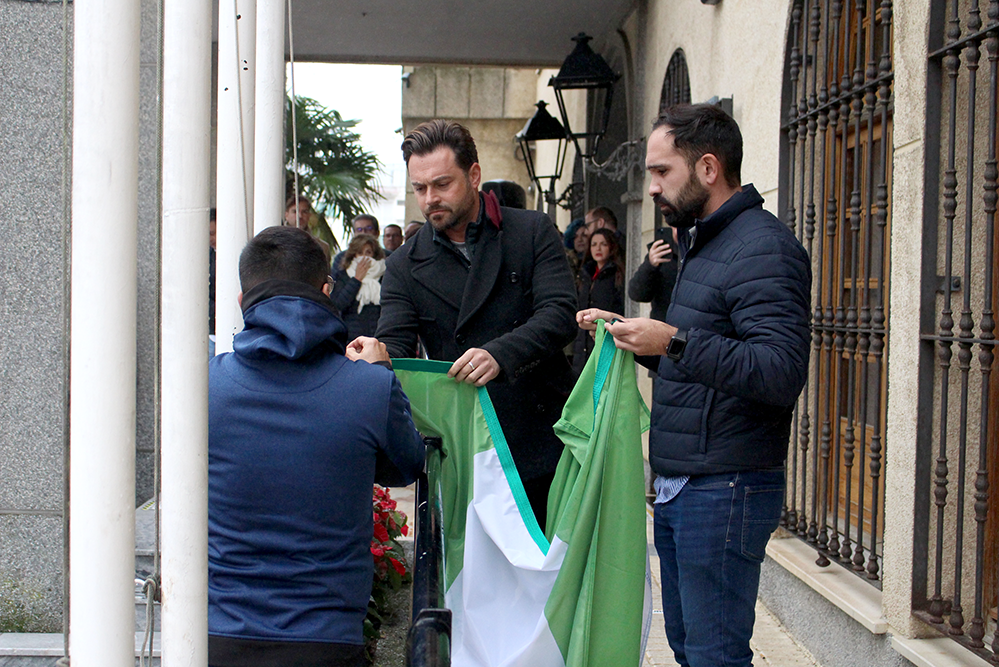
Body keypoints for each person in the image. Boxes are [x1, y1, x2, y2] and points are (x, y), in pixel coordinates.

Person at [577, 103, 811, 667]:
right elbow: (704, 363)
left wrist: (674, 342)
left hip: (726, 487)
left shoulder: (764, 247)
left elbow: (780, 371)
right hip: (685, 483)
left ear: (708, 168)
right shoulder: (700, 244)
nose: (652, 187)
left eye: (662, 172)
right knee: (690, 649)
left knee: (713, 655)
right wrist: (639, 341)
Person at [208, 225, 425, 667]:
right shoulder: (368, 389)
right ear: (327, 290)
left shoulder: (205, 387)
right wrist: (383, 375)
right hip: (327, 639)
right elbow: (406, 467)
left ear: (241, 300)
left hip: (217, 634)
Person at [374, 119, 577, 530]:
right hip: (468, 450)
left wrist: (500, 354)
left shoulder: (531, 231)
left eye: (442, 184)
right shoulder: (403, 266)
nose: (430, 199)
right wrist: (372, 358)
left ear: (474, 175)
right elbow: (394, 346)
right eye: (420, 188)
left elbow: (559, 314)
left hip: (545, 440)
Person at [572, 228, 624, 377]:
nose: (598, 249)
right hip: (582, 344)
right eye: (594, 244)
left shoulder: (617, 274)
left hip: (606, 341)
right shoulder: (585, 274)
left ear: (611, 247)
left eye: (603, 244)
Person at [331, 234, 386, 340]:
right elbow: (338, 303)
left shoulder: (383, 273)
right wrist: (356, 279)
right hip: (351, 335)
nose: (364, 257)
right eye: (360, 253)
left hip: (378, 333)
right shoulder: (344, 274)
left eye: (368, 252)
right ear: (354, 255)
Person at [628, 227, 678, 323]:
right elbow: (636, 293)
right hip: (662, 323)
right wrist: (650, 265)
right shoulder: (662, 251)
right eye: (675, 227)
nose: (677, 232)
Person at [284, 195, 334, 263]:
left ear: (309, 215)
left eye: (304, 212)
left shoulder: (322, 247)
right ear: (286, 215)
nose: (300, 216)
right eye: (295, 211)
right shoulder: (276, 243)